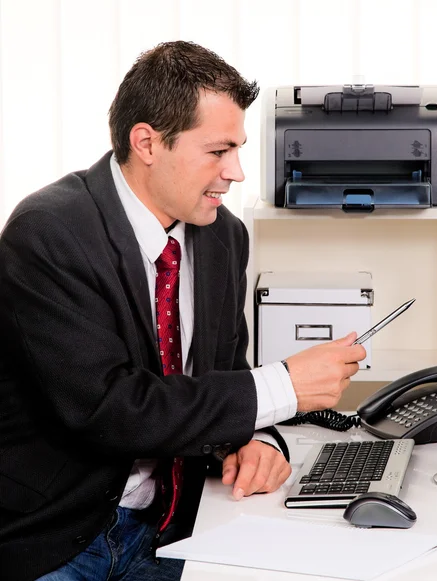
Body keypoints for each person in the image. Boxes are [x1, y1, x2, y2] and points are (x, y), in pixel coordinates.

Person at [0, 41, 366, 581]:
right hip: (62, 536)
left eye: (237, 150)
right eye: (218, 152)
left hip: (173, 526)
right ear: (147, 142)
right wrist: (284, 387)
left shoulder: (223, 238)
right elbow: (113, 409)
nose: (236, 172)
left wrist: (257, 438)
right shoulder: (49, 233)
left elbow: (224, 374)